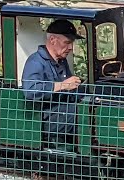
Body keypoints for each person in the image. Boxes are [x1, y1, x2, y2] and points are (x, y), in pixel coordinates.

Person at [21, 19, 84, 152]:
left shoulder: (61, 61)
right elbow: (30, 91)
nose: (71, 47)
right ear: (53, 40)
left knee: (87, 109)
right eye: (67, 43)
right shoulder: (35, 62)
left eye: (71, 43)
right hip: (45, 119)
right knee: (83, 115)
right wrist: (62, 85)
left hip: (62, 111)